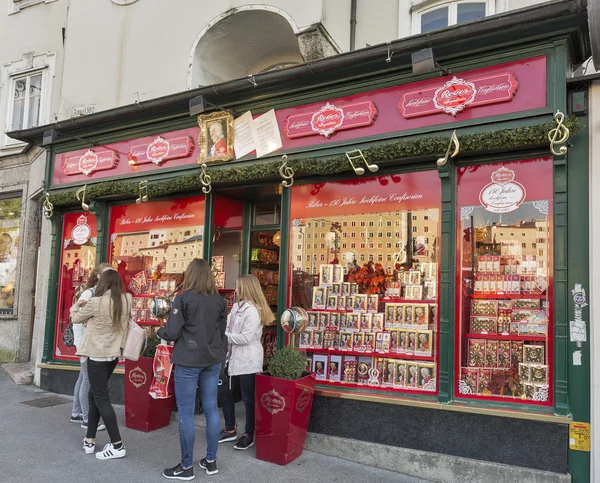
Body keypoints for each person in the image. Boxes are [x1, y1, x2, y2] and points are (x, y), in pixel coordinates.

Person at [159, 259, 227, 480]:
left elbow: (171, 332)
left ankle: (187, 467)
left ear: (190, 275)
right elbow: (221, 332)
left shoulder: (183, 299)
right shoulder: (219, 301)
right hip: (212, 358)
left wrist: (160, 331)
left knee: (186, 414)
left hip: (189, 360)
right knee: (211, 410)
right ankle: (210, 460)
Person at [71, 269, 132, 460]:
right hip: (113, 354)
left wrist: (76, 305)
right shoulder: (126, 299)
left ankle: (117, 445)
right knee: (93, 394)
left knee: (100, 397)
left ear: (103, 283)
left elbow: (75, 318)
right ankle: (90, 439)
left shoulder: (95, 303)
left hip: (96, 355)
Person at [218, 274, 274, 452]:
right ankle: (230, 428)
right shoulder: (236, 307)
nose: (235, 289)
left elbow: (246, 337)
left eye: (238, 286)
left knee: (248, 398)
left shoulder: (252, 310)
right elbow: (228, 328)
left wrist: (223, 336)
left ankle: (249, 434)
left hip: (248, 359)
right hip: (233, 357)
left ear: (245, 288)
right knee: (226, 393)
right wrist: (225, 334)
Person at [70, 263, 113, 431]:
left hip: (88, 342)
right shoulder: (90, 293)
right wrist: (80, 343)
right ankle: (87, 418)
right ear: (98, 277)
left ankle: (76, 412)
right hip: (86, 343)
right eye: (108, 274)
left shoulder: (99, 293)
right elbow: (78, 318)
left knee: (82, 377)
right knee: (88, 380)